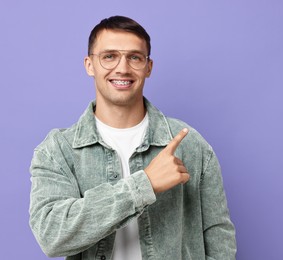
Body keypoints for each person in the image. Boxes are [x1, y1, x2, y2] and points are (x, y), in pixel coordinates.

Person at [29, 15, 236, 260]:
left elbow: (218, 235)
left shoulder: (190, 145)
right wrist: (145, 184)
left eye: (134, 57)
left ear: (148, 67)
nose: (123, 68)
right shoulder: (58, 150)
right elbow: (51, 236)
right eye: (109, 56)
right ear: (89, 65)